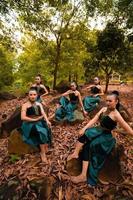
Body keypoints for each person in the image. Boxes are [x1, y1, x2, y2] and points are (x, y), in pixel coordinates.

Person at [67, 93, 133, 186]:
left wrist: (118, 130)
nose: (108, 103)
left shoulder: (116, 114)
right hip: (98, 130)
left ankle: (83, 175)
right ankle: (76, 155)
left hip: (106, 137)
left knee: (90, 145)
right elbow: (94, 119)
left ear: (116, 102)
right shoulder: (103, 109)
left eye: (110, 101)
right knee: (85, 135)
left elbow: (130, 131)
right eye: (107, 100)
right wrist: (84, 128)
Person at [21, 88, 52, 163]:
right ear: (28, 96)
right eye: (31, 94)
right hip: (29, 124)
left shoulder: (39, 104)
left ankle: (45, 146)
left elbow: (43, 113)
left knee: (47, 127)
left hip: (39, 121)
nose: (32, 96)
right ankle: (43, 152)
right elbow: (23, 117)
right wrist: (34, 120)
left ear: (37, 95)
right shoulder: (25, 105)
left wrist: (47, 121)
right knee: (41, 131)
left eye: (34, 95)